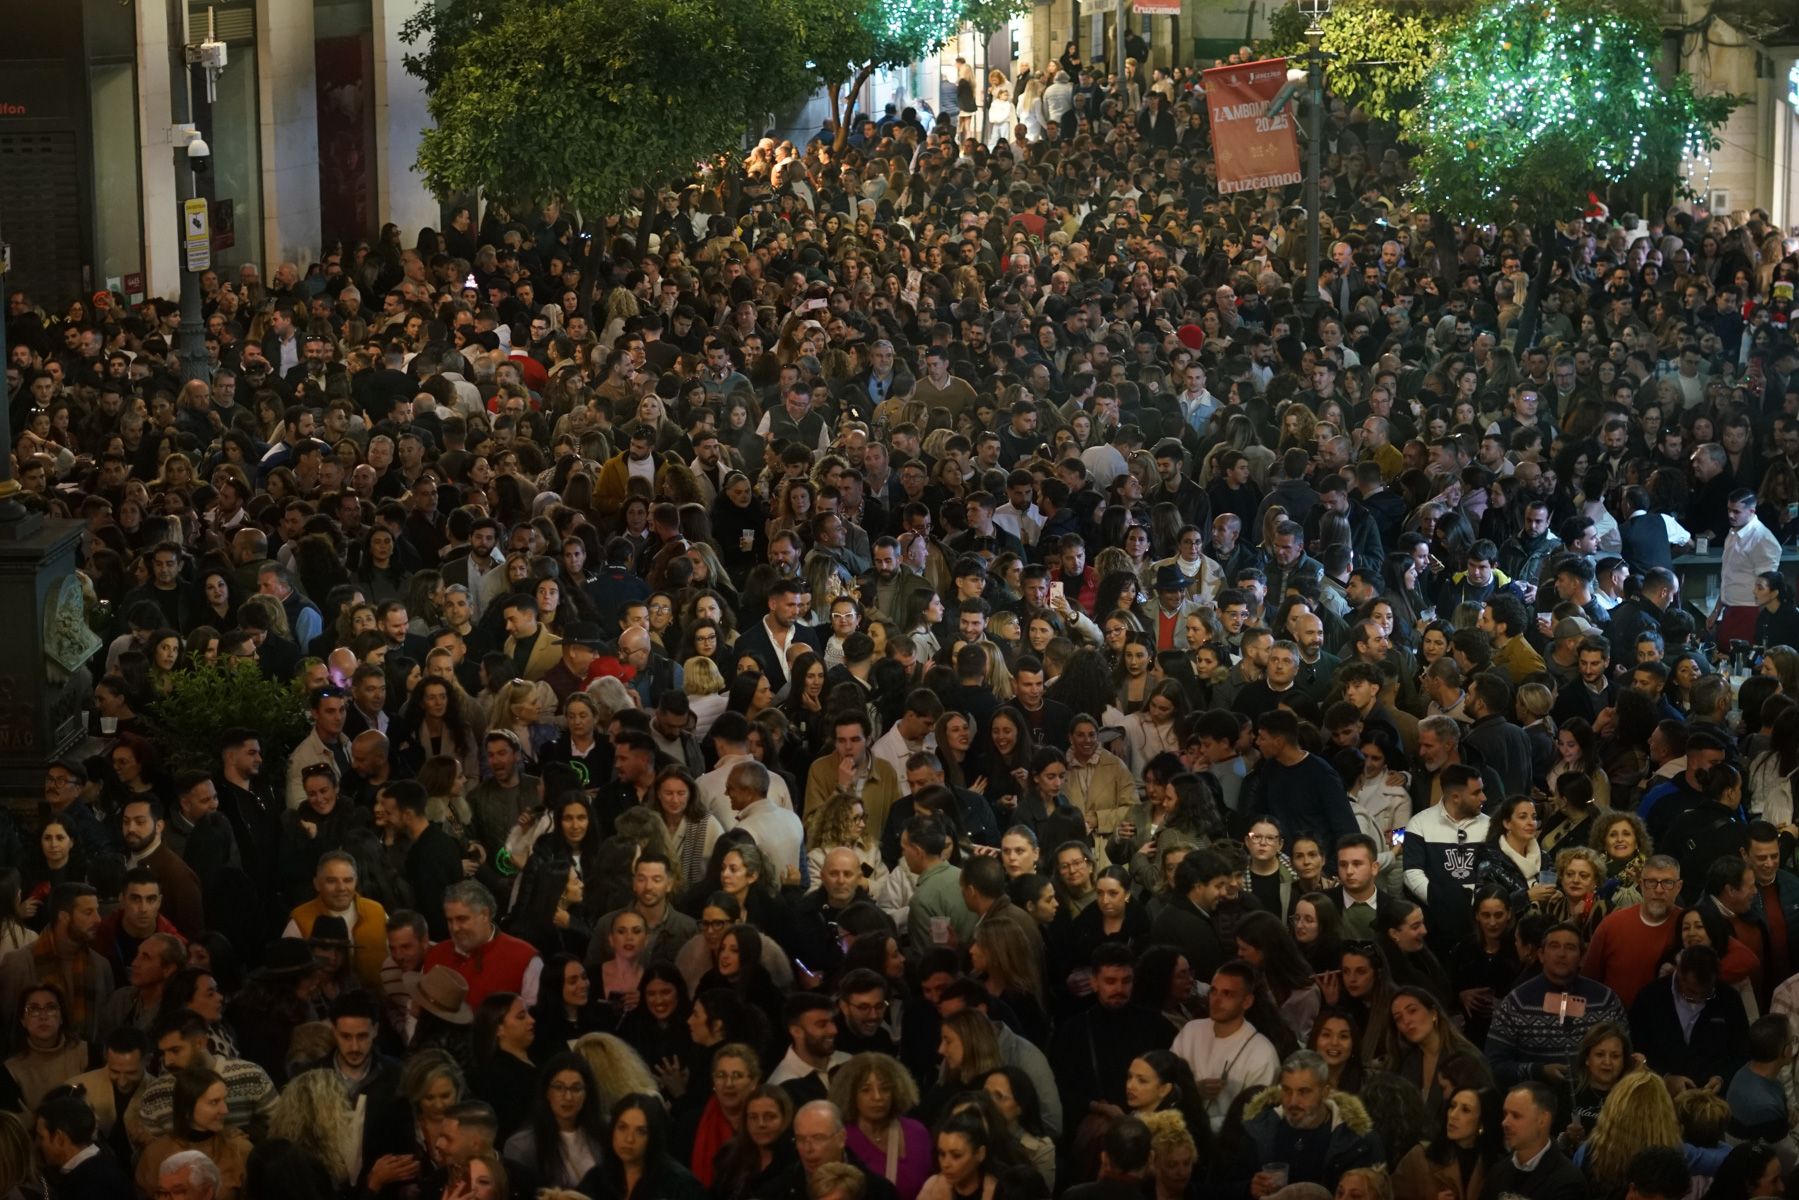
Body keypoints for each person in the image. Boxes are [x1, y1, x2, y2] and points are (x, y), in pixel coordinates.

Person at [1486, 923, 1625, 1086]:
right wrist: (1539, 1071)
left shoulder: (1605, 1000)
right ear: (1541, 955)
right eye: (1554, 946)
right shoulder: (1517, 1002)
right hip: (1535, 1101)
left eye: (1570, 947)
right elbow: (1493, 1065)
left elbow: (1626, 1058)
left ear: (1582, 957)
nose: (1561, 954)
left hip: (1595, 1102)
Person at [1238, 1050, 1381, 1195]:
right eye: (1287, 1090)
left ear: (1324, 1092)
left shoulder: (1356, 1142)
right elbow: (1221, 1187)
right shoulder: (1258, 1129)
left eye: (1304, 1091)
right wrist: (1248, 1188)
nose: (1293, 1101)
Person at [1171, 959, 1281, 1134]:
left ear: (1247, 1001)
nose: (1216, 1000)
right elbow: (1166, 1082)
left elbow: (1254, 1116)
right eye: (1213, 991)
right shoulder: (1191, 1031)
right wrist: (1193, 1092)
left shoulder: (1262, 1054)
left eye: (1227, 994)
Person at [1480, 1082, 1585, 1200]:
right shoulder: (1497, 1172)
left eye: (1516, 1115)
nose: (1505, 1123)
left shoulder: (1568, 1181)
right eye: (1505, 1114)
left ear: (1543, 1119)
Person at [33, 1093, 132, 1200]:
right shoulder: (102, 1166)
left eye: (41, 1137)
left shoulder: (92, 1187)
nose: (37, 1144)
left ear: (59, 1138)